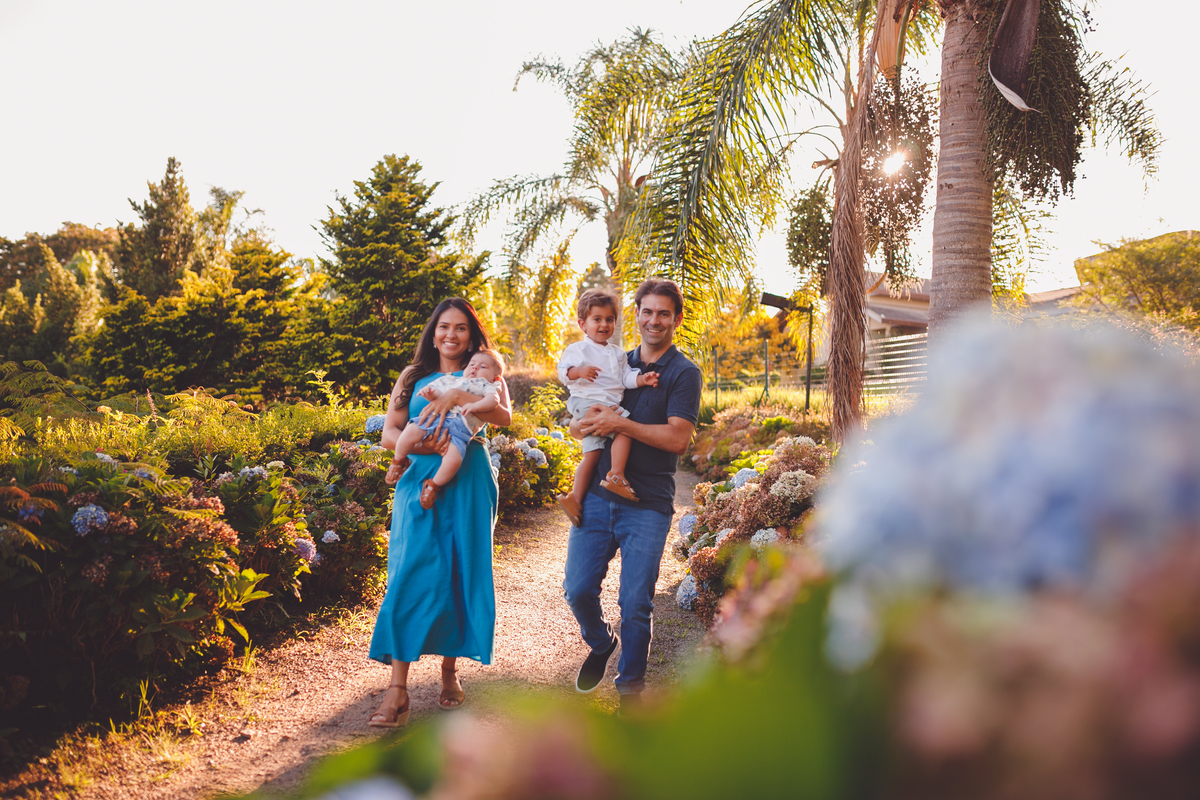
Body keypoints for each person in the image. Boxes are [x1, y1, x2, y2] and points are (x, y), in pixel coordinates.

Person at [367, 298, 511, 728]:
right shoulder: (411, 377)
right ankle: (398, 689)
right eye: (444, 327)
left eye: (461, 328)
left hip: (467, 481)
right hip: (416, 480)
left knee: (460, 571)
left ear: (472, 334)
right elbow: (389, 433)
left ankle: (449, 671)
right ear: (433, 333)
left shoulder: (484, 373)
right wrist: (420, 445)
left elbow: (503, 416)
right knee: (409, 572)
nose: (451, 335)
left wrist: (457, 393)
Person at [562, 278, 702, 711]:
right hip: (600, 498)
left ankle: (630, 695)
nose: (653, 320)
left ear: (676, 319)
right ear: (636, 315)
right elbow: (577, 421)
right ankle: (602, 643)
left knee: (635, 603)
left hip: (649, 504)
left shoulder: (684, 373)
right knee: (578, 589)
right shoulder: (611, 359)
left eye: (663, 313)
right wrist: (583, 424)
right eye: (647, 311)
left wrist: (619, 424)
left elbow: (678, 438)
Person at [555, 289, 659, 526]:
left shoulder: (618, 353)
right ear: (583, 324)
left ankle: (574, 498)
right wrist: (578, 372)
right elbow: (563, 373)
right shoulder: (578, 349)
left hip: (604, 405)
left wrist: (643, 379)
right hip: (586, 402)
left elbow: (626, 378)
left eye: (609, 320)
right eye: (597, 319)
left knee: (590, 455)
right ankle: (616, 475)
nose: (604, 325)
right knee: (625, 427)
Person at [384, 349, 505, 509]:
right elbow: (437, 395)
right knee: (410, 432)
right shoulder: (453, 380)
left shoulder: (488, 387)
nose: (475, 368)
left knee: (454, 459)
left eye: (483, 367)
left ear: (495, 377)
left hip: (459, 430)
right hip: (435, 420)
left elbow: (492, 402)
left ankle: (433, 485)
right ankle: (398, 460)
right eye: (472, 364)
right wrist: (429, 393)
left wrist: (474, 405)